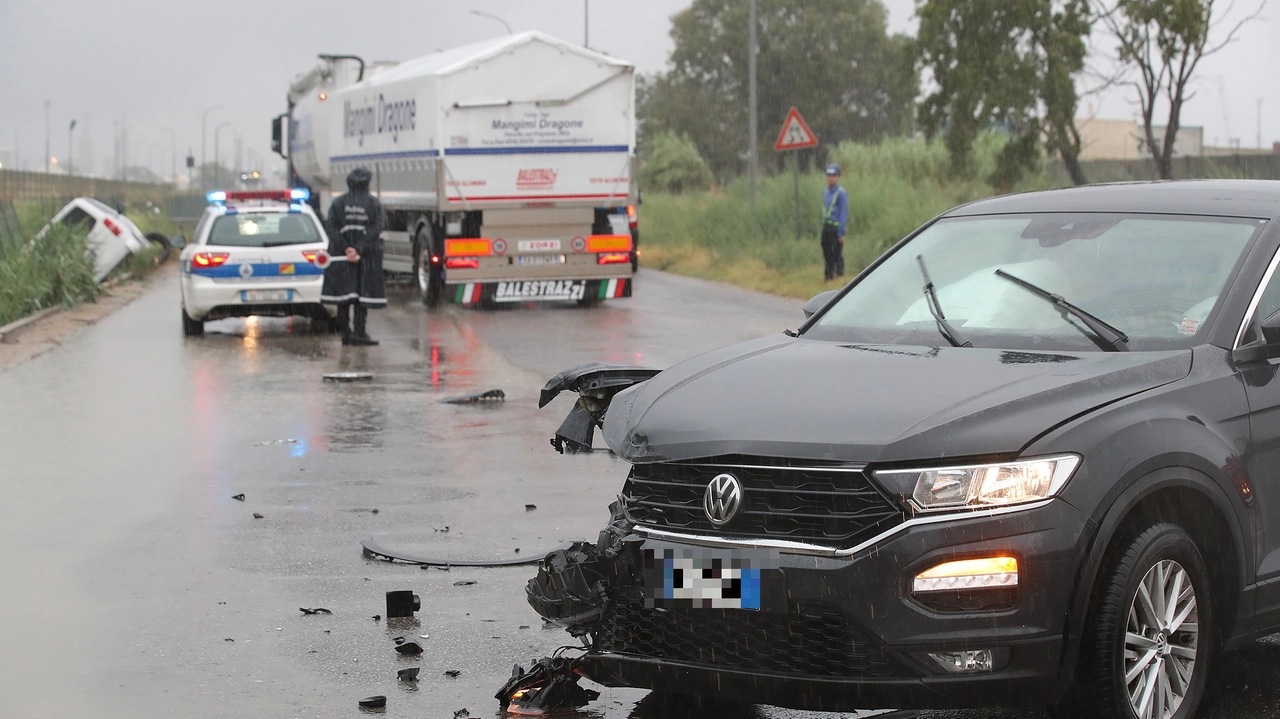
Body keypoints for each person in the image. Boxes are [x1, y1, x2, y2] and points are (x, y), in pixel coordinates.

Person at [320, 167, 386, 345]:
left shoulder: (338, 203)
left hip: (340, 258)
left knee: (344, 296)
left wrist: (345, 248)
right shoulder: (373, 204)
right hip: (365, 258)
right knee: (361, 296)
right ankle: (360, 333)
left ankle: (345, 334)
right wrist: (358, 249)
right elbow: (377, 228)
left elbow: (331, 227)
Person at [821, 163, 849, 281]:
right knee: (826, 249)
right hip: (827, 226)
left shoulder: (841, 193)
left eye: (833, 175)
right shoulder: (825, 192)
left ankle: (837, 274)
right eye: (829, 175)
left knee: (836, 252)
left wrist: (841, 233)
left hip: (836, 227)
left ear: (837, 177)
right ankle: (829, 274)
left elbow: (843, 213)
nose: (831, 178)